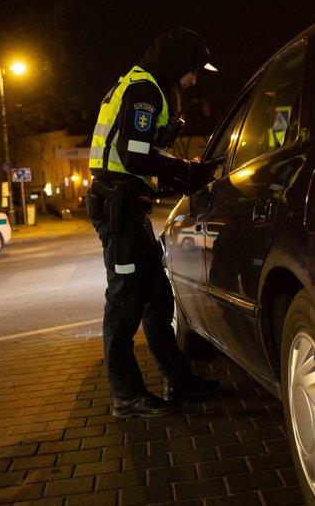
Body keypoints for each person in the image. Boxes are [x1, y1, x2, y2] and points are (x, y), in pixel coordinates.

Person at [85, 28, 221, 418]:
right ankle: (126, 395)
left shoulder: (148, 88)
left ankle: (178, 379)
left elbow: (143, 158)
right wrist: (186, 170)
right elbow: (134, 156)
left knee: (157, 299)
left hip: (131, 208)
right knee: (124, 303)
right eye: (193, 71)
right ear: (177, 64)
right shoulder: (144, 90)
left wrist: (186, 173)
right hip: (120, 211)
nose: (194, 79)